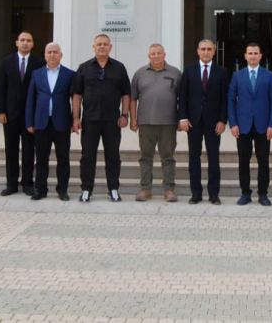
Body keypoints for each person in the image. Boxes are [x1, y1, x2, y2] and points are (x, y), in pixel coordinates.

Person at [72, 33, 131, 202]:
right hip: (90, 120)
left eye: (105, 44)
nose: (102, 46)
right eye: (99, 44)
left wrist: (124, 114)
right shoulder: (84, 68)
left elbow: (126, 94)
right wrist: (76, 118)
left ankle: (113, 189)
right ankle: (86, 189)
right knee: (87, 156)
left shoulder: (119, 67)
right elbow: (77, 95)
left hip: (112, 121)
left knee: (113, 156)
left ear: (110, 47)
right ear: (94, 47)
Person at [178, 39, 228, 205]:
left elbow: (225, 98)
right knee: (194, 158)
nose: (206, 52)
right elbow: (183, 96)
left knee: (214, 158)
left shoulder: (221, 72)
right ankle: (196, 194)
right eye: (203, 49)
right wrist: (183, 117)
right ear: (198, 51)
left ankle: (214, 194)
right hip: (193, 122)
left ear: (214, 52)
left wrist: (223, 120)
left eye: (209, 49)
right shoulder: (189, 70)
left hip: (214, 123)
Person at [129, 43, 182, 202]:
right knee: (146, 157)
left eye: (159, 53)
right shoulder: (139, 74)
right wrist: (133, 119)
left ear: (164, 55)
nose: (156, 56)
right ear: (149, 56)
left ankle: (169, 190)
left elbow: (182, 98)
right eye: (153, 53)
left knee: (168, 157)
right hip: (146, 123)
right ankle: (145, 189)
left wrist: (181, 118)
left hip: (168, 123)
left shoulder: (175, 73)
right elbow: (133, 98)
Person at [228, 42, 272, 206]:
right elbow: (231, 100)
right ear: (245, 56)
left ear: (260, 56)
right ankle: (245, 193)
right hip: (242, 125)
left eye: (255, 53)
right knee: (243, 161)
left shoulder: (269, 76)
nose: (253, 56)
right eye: (250, 53)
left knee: (263, 161)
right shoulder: (237, 76)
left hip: (263, 126)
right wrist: (233, 123)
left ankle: (263, 194)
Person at [25, 42, 75, 201]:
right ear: (45, 55)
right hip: (41, 123)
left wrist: (75, 120)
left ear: (61, 55)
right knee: (41, 159)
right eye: (49, 52)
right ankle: (40, 189)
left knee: (63, 159)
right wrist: (29, 122)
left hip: (62, 123)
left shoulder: (69, 74)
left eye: (55, 52)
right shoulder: (36, 74)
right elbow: (31, 99)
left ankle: (62, 190)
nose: (52, 55)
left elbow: (75, 99)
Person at [0, 31, 45, 196]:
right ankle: (11, 184)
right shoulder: (6, 62)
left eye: (28, 40)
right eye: (22, 40)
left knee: (29, 150)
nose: (25, 43)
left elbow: (40, 90)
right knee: (11, 150)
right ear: (17, 43)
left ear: (33, 44)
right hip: (10, 114)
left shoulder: (39, 62)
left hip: (30, 115)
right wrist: (0, 110)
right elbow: (1, 88)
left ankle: (27, 183)